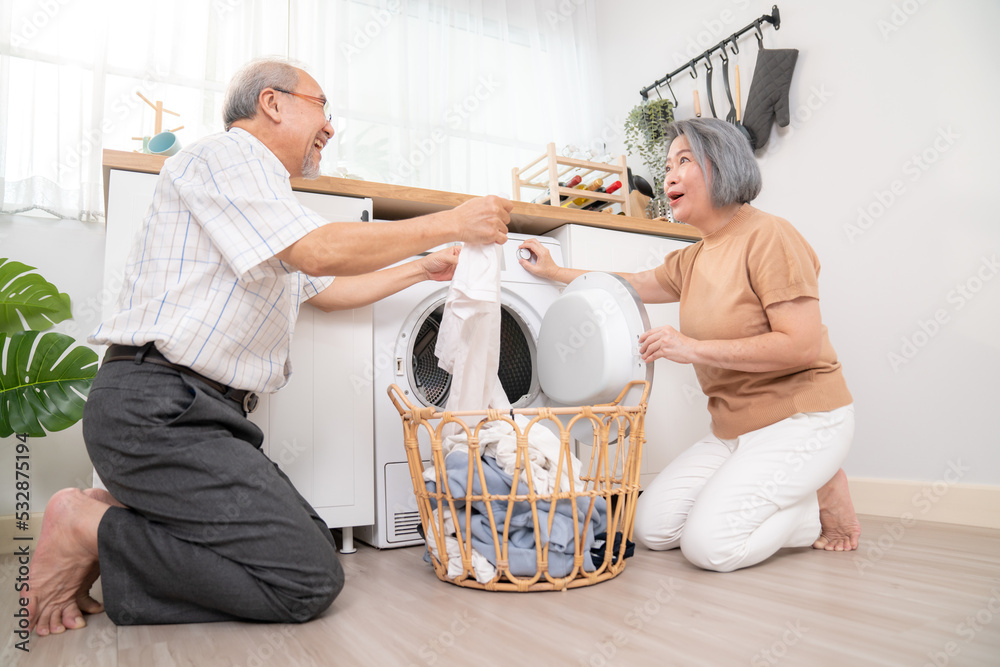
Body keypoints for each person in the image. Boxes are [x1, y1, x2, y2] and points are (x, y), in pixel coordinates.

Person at [28, 57, 512, 636]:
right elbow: (319, 253)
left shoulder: (263, 202)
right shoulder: (227, 157)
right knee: (305, 580)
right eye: (322, 106)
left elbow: (327, 289)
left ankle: (108, 520)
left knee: (307, 546)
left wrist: (423, 268)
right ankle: (85, 525)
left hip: (199, 415)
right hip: (159, 410)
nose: (330, 128)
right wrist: (451, 223)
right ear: (273, 103)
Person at [517, 117, 859, 573]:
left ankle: (817, 506)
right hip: (734, 430)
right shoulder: (695, 256)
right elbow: (632, 284)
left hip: (803, 418)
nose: (669, 175)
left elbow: (799, 346)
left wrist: (692, 348)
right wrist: (555, 272)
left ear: (723, 166)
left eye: (684, 160)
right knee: (652, 529)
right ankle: (800, 487)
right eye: (666, 165)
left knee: (710, 548)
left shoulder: (770, 236)